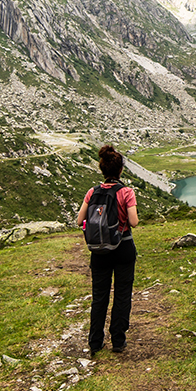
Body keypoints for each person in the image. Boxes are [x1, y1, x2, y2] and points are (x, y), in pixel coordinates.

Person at [76, 144, 138, 356]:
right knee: (122, 294)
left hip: (99, 251)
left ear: (102, 169)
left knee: (99, 296)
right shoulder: (126, 192)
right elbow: (134, 221)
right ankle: (118, 340)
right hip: (123, 248)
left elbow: (79, 220)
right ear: (120, 170)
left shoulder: (92, 192)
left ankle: (95, 342)